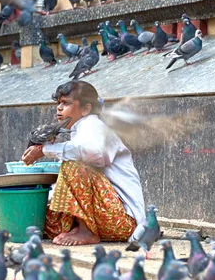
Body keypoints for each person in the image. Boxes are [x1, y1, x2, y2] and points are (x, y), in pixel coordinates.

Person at [22, 80, 146, 246]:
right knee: (35, 218)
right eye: (58, 103)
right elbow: (67, 184)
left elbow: (91, 153)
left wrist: (44, 150)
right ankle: (78, 227)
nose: (59, 108)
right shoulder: (79, 131)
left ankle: (86, 231)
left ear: (86, 109)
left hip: (121, 220)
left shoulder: (94, 125)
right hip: (101, 219)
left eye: (65, 103)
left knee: (75, 164)